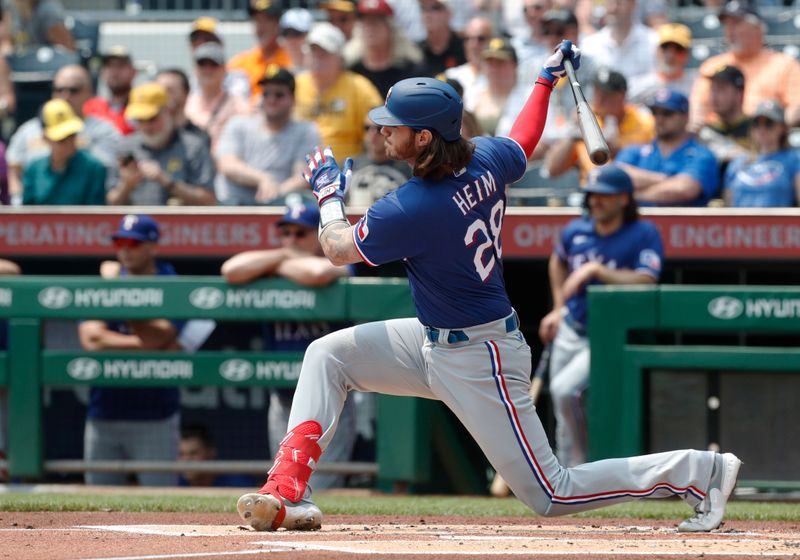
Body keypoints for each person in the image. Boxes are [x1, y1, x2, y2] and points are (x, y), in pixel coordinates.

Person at [235, 41, 742, 535]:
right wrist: (545, 82)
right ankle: (288, 487)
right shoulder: (484, 158)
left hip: (481, 354)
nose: (382, 132)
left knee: (552, 493)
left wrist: (327, 194)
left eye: (395, 127)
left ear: (426, 139)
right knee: (328, 355)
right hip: (433, 338)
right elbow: (522, 139)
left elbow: (338, 247)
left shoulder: (415, 205)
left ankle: (699, 472)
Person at [221, 199, 358, 490]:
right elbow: (231, 269)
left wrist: (279, 264)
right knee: (285, 482)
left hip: (330, 399)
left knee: (322, 487)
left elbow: (317, 274)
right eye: (286, 233)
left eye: (301, 234)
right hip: (283, 396)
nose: (291, 240)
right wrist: (284, 257)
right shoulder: (277, 263)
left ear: (319, 236)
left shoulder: (340, 264)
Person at [539, 165, 663, 468]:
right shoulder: (575, 230)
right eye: (592, 195)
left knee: (565, 392)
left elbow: (647, 279)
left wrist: (596, 270)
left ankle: (580, 472)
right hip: (572, 326)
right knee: (561, 405)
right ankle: (565, 475)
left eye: (604, 196)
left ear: (623, 199)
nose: (596, 202)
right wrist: (558, 307)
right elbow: (557, 261)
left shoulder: (643, 232)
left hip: (608, 336)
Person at [78, 214, 181, 486]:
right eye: (120, 242)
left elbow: (164, 336)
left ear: (152, 246)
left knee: (164, 501)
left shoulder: (170, 282)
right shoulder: (105, 280)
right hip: (104, 410)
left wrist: (119, 293)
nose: (125, 249)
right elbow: (92, 340)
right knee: (96, 506)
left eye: (134, 243)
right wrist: (145, 343)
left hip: (155, 414)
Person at [7, 63, 121, 203]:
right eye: (59, 89)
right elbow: (13, 171)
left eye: (73, 90)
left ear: (89, 91)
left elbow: (104, 172)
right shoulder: (29, 133)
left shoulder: (104, 132)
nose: (65, 96)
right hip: (40, 210)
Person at [215, 65, 320, 206]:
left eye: (279, 94)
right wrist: (262, 179)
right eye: (266, 94)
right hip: (235, 206)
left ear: (293, 100)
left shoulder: (306, 131)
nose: (271, 100)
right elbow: (227, 165)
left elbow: (302, 177)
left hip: (282, 205)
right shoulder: (238, 124)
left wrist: (274, 193)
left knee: (305, 202)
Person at [688, 0, 800, 130]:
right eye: (727, 25)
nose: (730, 31)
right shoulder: (712, 66)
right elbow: (697, 110)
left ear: (757, 28)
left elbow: (796, 109)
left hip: (765, 138)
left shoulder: (784, 65)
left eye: (736, 24)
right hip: (718, 138)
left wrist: (771, 129)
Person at [107, 82, 216, 206]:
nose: (147, 126)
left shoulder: (193, 147)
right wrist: (127, 185)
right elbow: (112, 202)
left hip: (179, 223)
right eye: (140, 120)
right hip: (137, 222)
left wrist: (167, 182)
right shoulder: (125, 147)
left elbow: (209, 200)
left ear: (168, 111)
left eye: (152, 118)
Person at [544, 69, 654, 183]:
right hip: (592, 191)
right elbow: (552, 169)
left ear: (622, 96)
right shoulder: (584, 117)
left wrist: (617, 149)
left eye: (607, 95)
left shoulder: (644, 121)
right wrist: (574, 136)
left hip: (631, 190)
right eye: (597, 92)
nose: (600, 100)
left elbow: (655, 164)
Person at [616, 88, 720, 207]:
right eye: (655, 113)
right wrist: (668, 179)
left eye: (667, 113)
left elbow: (684, 189)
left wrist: (632, 196)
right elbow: (617, 177)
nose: (659, 119)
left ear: (685, 117)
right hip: (636, 224)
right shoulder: (636, 151)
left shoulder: (701, 154)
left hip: (680, 224)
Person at [294, 22, 382, 161]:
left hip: (345, 171)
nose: (317, 58)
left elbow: (379, 131)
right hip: (300, 167)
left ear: (340, 58)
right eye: (313, 51)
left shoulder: (359, 88)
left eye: (324, 53)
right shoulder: (295, 85)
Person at [21, 99, 106, 205]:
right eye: (61, 139)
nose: (69, 143)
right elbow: (27, 214)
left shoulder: (94, 168)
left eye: (72, 135)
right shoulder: (33, 169)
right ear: (45, 138)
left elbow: (95, 216)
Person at [723, 99, 800, 208]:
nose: (762, 128)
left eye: (768, 123)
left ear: (782, 128)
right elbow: (728, 208)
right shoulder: (737, 163)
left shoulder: (794, 159)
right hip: (741, 224)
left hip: (777, 224)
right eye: (756, 123)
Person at [343, 0, 424, 98]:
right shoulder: (351, 68)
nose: (370, 28)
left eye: (375, 22)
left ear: (391, 28)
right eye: (365, 22)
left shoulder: (410, 69)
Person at [184, 43, 252, 150]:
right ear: (195, 69)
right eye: (202, 64)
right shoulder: (187, 103)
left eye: (213, 65)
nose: (207, 70)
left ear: (224, 70)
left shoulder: (238, 104)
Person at [579, 0, 659, 82]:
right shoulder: (589, 45)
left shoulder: (653, 42)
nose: (613, 9)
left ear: (633, 4)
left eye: (619, 3)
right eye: (610, 3)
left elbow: (661, 81)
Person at [227, 0, 291, 103]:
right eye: (257, 20)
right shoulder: (240, 63)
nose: (261, 26)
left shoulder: (290, 61)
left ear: (278, 24)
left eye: (267, 20)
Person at [696, 65, 751, 175]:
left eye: (721, 89)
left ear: (739, 94)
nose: (714, 96)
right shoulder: (704, 132)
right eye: (712, 89)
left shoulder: (758, 127)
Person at [348, 115, 412, 206]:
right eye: (367, 128)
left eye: (379, 128)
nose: (372, 134)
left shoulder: (409, 169)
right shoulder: (349, 165)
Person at [627, 23, 697, 105]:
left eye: (678, 49)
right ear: (656, 51)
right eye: (665, 47)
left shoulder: (697, 88)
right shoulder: (638, 86)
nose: (670, 55)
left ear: (687, 54)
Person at [463, 37, 519, 137]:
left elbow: (544, 139)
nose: (494, 69)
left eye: (500, 63)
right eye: (490, 63)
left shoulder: (529, 97)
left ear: (514, 65)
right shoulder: (471, 93)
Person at [188, 16, 251, 100]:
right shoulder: (188, 81)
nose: (201, 44)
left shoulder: (236, 79)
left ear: (220, 44)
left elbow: (238, 104)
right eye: (195, 39)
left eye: (207, 39)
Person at [178, 423, 257, 487]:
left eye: (193, 453)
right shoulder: (176, 483)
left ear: (210, 453)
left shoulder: (236, 483)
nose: (187, 460)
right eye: (181, 454)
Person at [83, 46, 138, 136]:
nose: (114, 71)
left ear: (134, 72)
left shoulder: (143, 107)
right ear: (102, 73)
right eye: (109, 66)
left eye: (120, 66)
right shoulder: (91, 107)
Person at [0, 0, 74, 53]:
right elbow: (6, 41)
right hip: (21, 63)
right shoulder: (9, 5)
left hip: (46, 64)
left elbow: (68, 50)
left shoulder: (47, 9)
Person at [415, 0, 466, 77]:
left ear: (449, 14)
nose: (427, 14)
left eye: (435, 8)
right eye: (423, 8)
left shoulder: (465, 47)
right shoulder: (416, 51)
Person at [444, 16, 493, 94]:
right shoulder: (452, 76)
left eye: (480, 38)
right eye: (467, 38)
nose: (473, 44)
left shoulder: (500, 77)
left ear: (492, 40)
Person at [278, 7, 313, 74]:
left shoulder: (318, 66)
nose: (291, 39)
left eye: (296, 33)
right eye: (286, 33)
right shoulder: (275, 64)